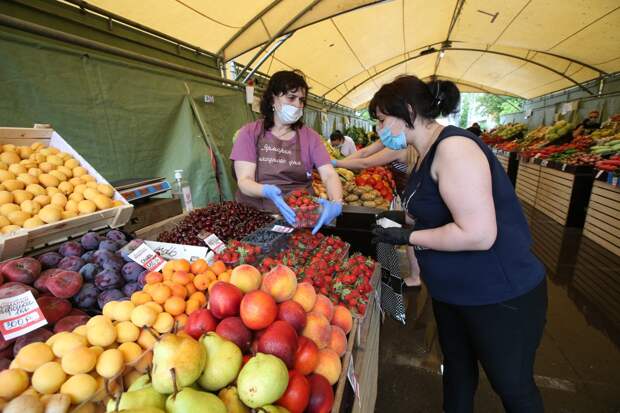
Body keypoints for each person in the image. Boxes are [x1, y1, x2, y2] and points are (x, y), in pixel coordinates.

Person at [370, 75, 547, 412]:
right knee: (457, 372)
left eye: (381, 120)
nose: (380, 130)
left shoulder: (454, 148)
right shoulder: (421, 154)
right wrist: (395, 221)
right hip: (454, 294)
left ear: (407, 110)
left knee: (512, 386)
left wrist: (409, 236)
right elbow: (432, 212)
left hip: (499, 295)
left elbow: (479, 234)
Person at [230, 70, 343, 234]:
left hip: (300, 218)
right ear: (272, 99)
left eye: (301, 100)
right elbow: (244, 180)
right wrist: (266, 191)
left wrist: (337, 203)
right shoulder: (250, 133)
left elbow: (329, 175)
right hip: (256, 218)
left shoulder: (310, 137)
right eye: (291, 97)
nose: (298, 104)